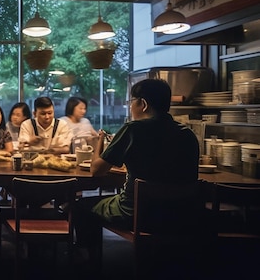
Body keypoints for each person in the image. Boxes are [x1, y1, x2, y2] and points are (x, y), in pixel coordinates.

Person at [73, 79, 200, 263]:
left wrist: (99, 141)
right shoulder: (187, 135)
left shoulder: (133, 130)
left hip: (136, 212)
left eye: (131, 101)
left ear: (143, 104)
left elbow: (96, 170)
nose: (130, 106)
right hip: (180, 215)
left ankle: (88, 261)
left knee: (81, 206)